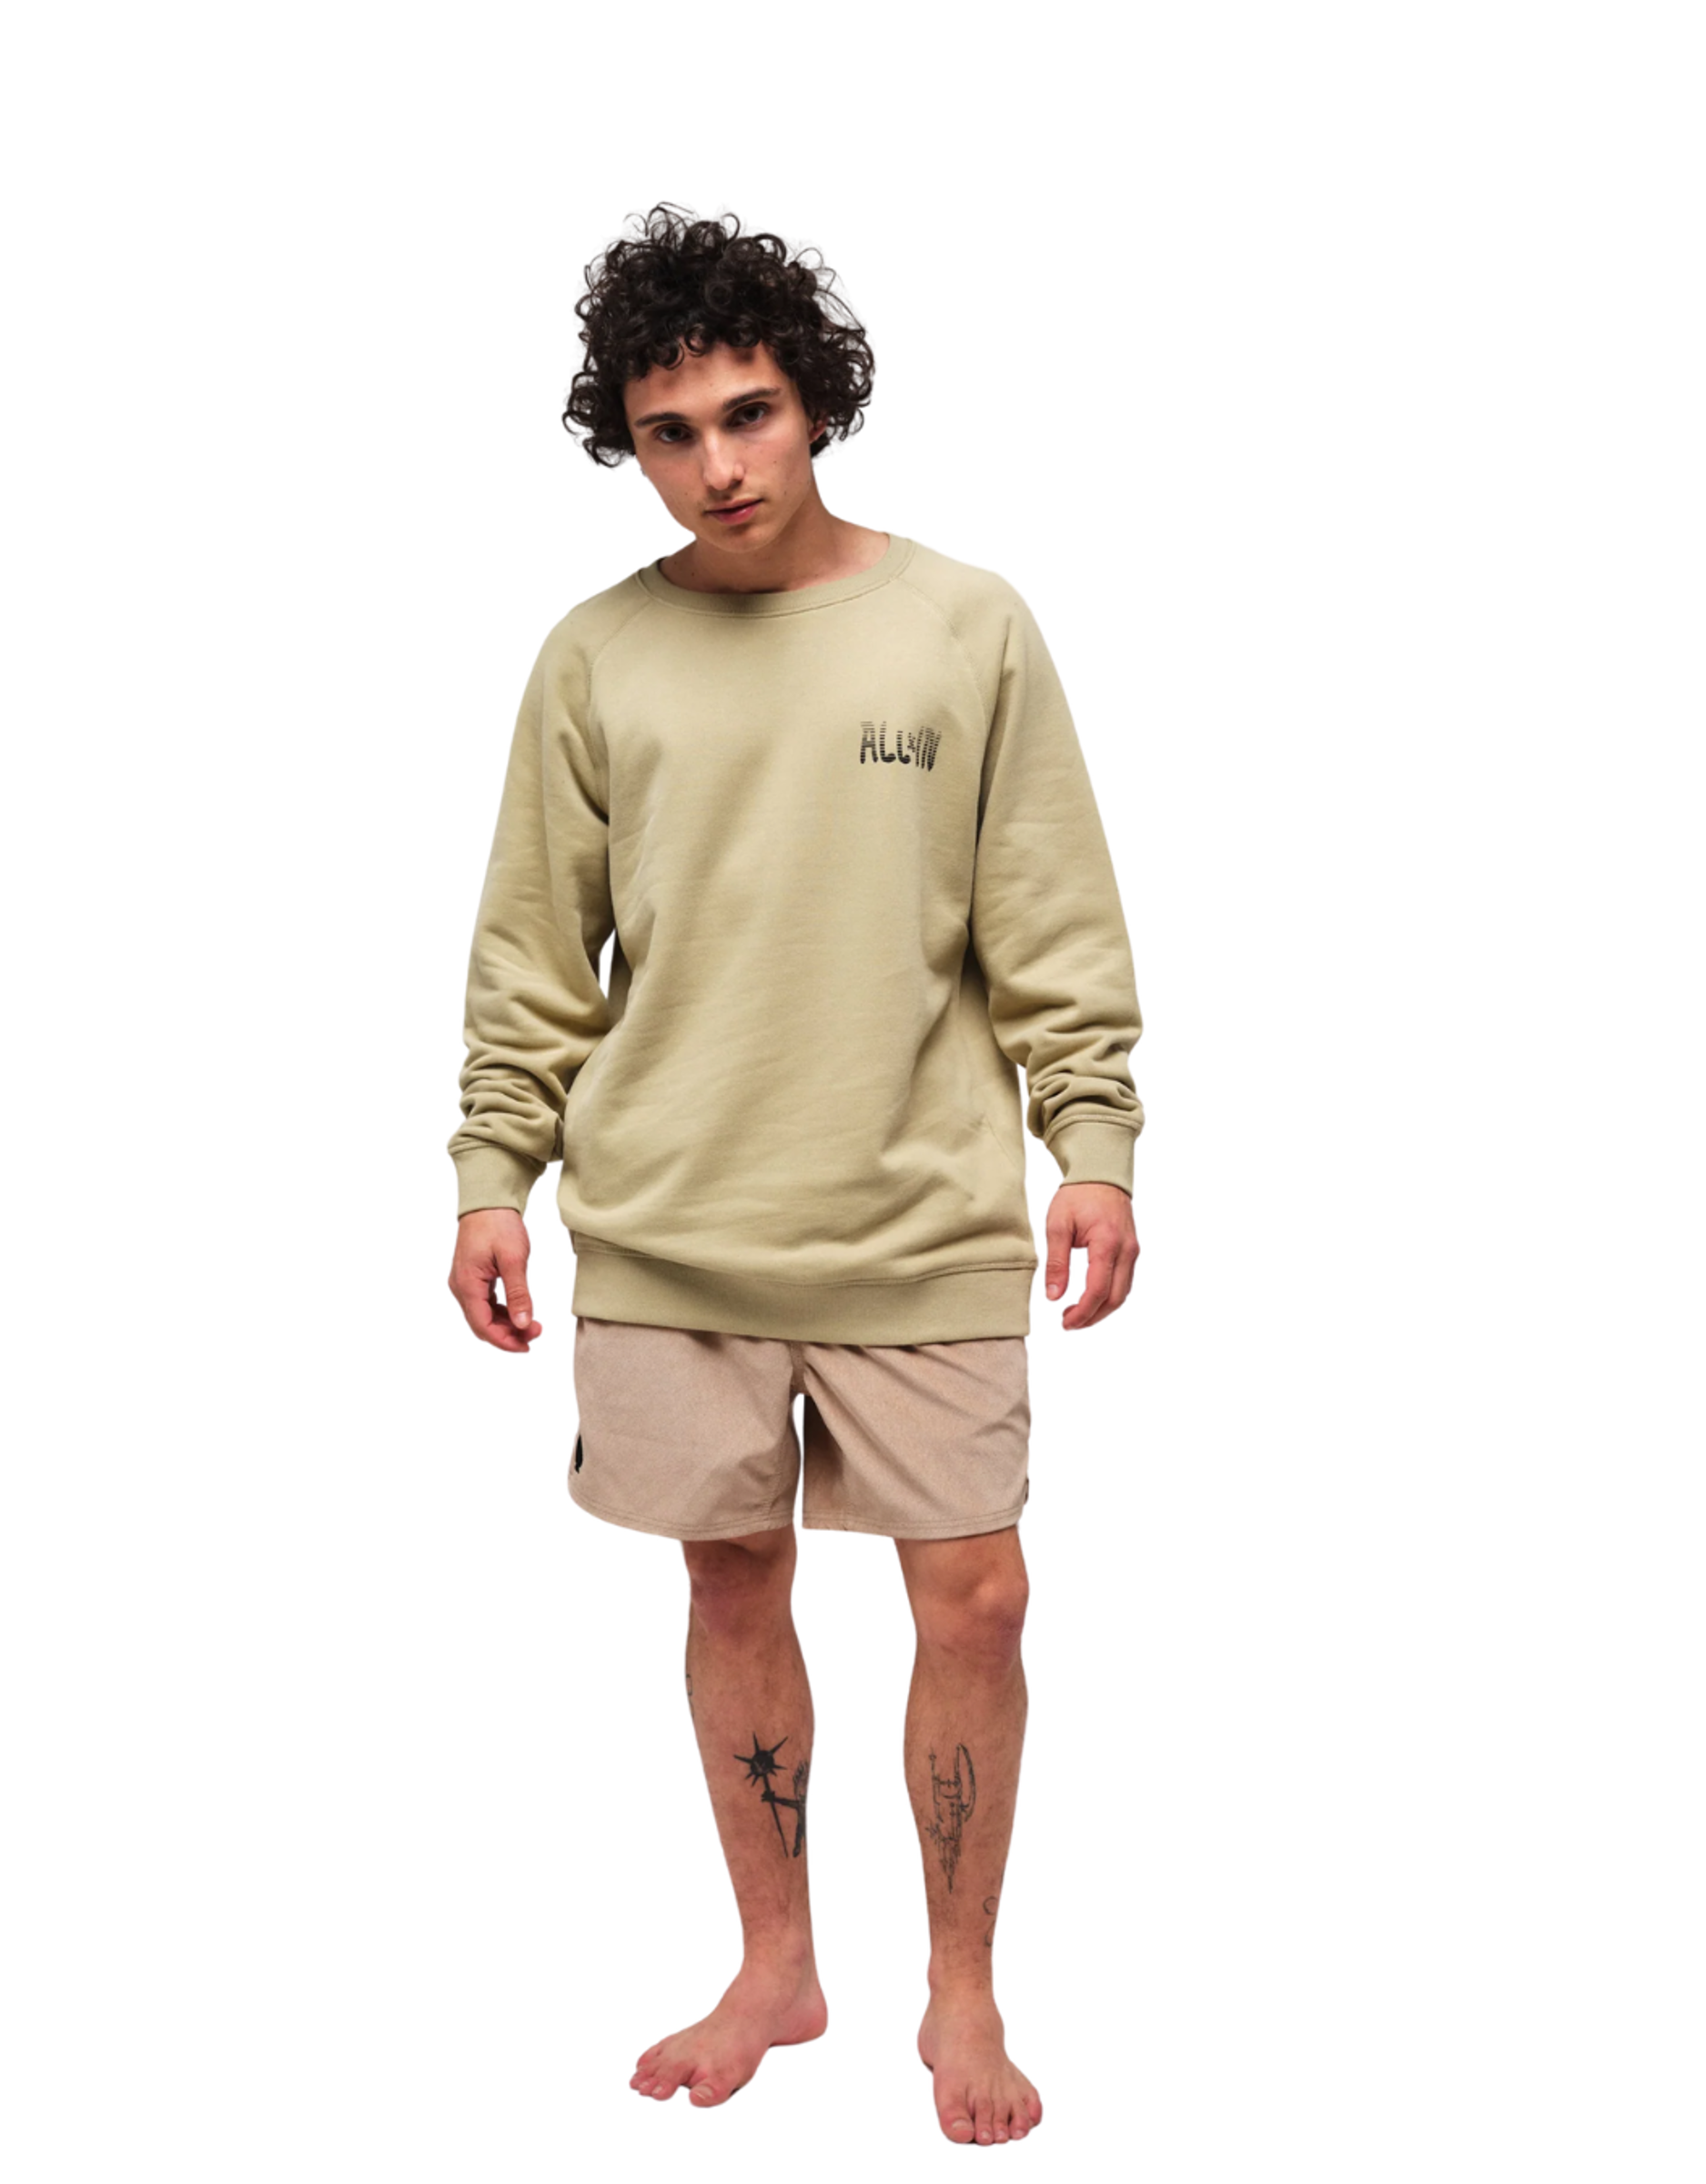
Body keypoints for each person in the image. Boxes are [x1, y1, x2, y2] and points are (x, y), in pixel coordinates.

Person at [446, 203, 1144, 2149]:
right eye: (668, 433)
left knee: (977, 1598)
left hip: (922, 1212)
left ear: (814, 400)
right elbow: (533, 952)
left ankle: (960, 1984)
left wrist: (1091, 1139)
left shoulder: (966, 626)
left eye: (747, 413)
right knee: (731, 1577)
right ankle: (779, 1965)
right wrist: (494, 1175)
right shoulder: (596, 655)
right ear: (630, 444)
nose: (718, 465)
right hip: (672, 1226)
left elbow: (1051, 915)